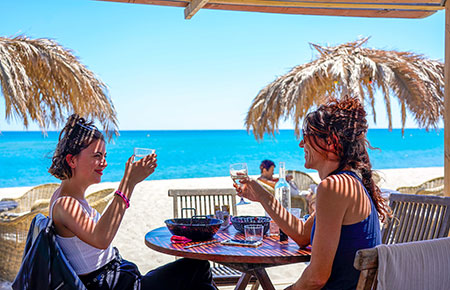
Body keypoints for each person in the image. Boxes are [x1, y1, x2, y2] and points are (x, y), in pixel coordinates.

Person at [235, 97, 390, 290]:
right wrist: (261, 195)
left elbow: (317, 278)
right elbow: (301, 234)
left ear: (331, 142)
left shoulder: (334, 186)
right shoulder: (347, 182)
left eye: (307, 136)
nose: (301, 144)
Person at [48, 114, 214, 290]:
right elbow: (101, 239)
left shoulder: (66, 197)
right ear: (72, 160)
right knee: (199, 267)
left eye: (104, 155)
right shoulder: (65, 204)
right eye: (97, 155)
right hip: (118, 285)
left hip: (121, 279)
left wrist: (129, 182)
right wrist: (128, 183)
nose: (104, 163)